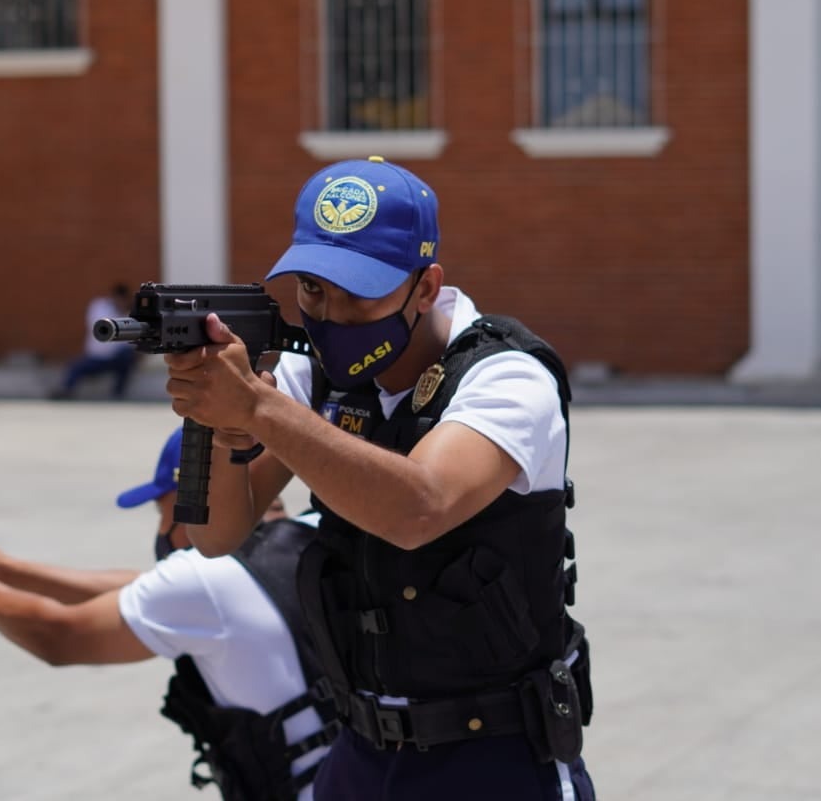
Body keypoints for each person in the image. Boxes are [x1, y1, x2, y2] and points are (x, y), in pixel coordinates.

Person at [162, 156, 595, 800]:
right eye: (312, 290)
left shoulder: (505, 376)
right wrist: (214, 412)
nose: (330, 314)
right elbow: (218, 531)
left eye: (358, 294)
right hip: (360, 751)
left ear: (425, 286)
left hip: (493, 756)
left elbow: (418, 510)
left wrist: (257, 407)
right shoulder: (314, 381)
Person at [0, 426, 336, 800]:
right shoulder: (319, 535)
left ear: (193, 495)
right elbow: (142, 588)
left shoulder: (205, 579)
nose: (160, 533)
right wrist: (3, 568)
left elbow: (59, 637)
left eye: (163, 514)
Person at [49, 283, 138, 400]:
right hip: (96, 357)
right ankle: (66, 390)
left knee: (127, 357)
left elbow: (132, 341)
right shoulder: (100, 306)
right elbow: (99, 327)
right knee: (76, 367)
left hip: (116, 359)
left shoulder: (130, 313)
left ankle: (117, 393)